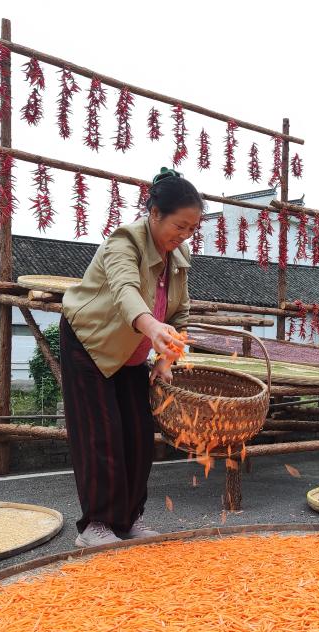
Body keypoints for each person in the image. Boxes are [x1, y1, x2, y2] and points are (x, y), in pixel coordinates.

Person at [60, 168, 203, 548]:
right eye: (180, 225)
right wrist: (153, 329)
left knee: (139, 435)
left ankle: (128, 519)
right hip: (91, 344)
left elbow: (181, 315)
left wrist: (164, 360)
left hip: (134, 351)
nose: (185, 235)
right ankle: (97, 524)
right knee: (101, 433)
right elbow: (125, 292)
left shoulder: (178, 255)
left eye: (192, 229)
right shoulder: (124, 241)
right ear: (155, 214)